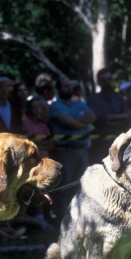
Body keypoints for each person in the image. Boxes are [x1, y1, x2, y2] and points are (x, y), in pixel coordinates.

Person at [49, 77, 96, 221]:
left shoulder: (79, 103)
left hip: (82, 149)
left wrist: (76, 121)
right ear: (58, 89)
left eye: (70, 86)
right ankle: (63, 220)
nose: (69, 89)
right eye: (65, 87)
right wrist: (82, 123)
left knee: (82, 186)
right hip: (65, 151)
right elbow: (69, 123)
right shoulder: (55, 106)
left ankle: (80, 220)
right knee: (65, 186)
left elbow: (92, 116)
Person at [87, 68, 130, 164]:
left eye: (109, 79)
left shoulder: (119, 99)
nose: (107, 82)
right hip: (99, 144)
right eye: (104, 80)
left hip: (118, 143)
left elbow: (126, 117)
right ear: (99, 82)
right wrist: (117, 117)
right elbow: (96, 118)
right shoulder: (93, 99)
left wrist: (109, 118)